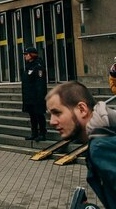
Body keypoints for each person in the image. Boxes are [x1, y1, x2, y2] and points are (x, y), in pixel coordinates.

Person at [46, 81, 115, 209]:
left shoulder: (101, 146)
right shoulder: (108, 131)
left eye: (57, 113)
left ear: (82, 109)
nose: (52, 121)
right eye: (50, 114)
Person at [21, 47, 47, 142]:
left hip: (36, 97)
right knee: (32, 116)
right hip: (29, 97)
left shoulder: (38, 66)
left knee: (39, 115)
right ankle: (34, 133)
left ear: (32, 55)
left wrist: (40, 98)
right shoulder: (28, 66)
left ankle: (42, 133)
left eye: (26, 54)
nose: (25, 56)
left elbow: (40, 84)